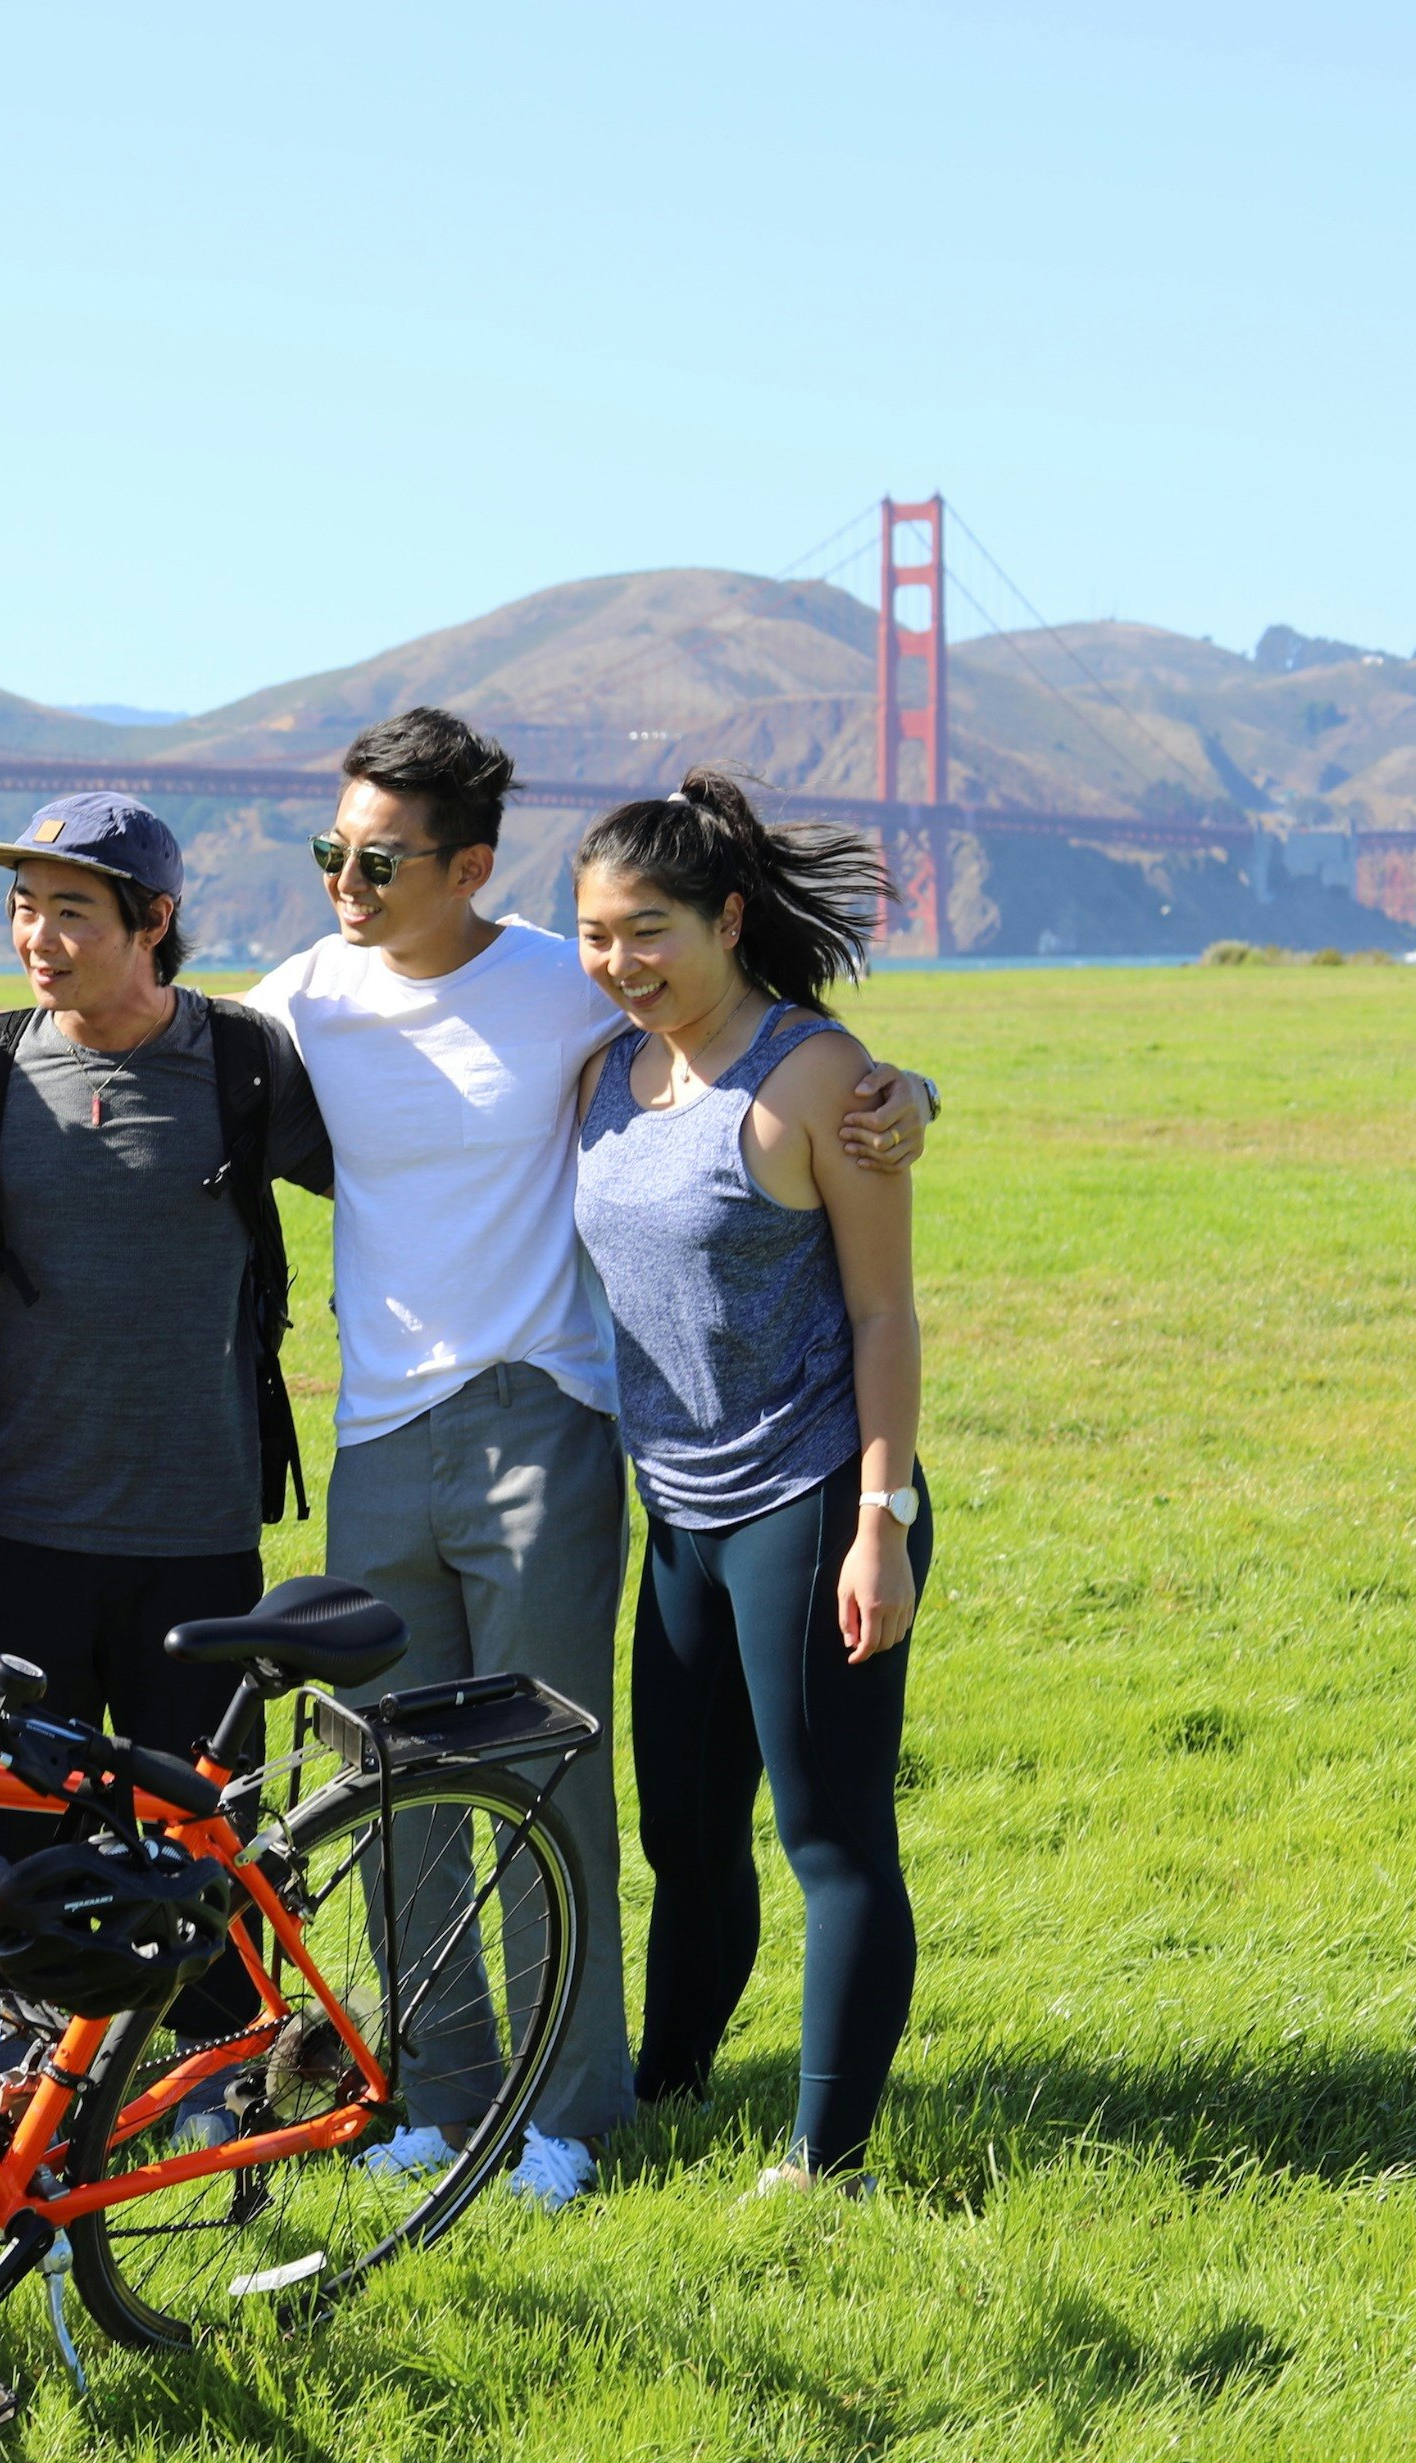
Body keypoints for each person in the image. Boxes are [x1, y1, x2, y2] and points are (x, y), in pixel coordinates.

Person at [244, 708, 936, 2209]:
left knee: (544, 1778)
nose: (344, 881)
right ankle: (438, 2096)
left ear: (467, 864)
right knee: (393, 1781)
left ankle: (573, 2114)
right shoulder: (302, 995)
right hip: (375, 1435)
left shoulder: (570, 985)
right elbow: (156, 1036)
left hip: (547, 1423)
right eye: (329, 850)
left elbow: (772, 1043)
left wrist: (908, 1091)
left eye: (377, 858)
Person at [571, 770, 928, 2200]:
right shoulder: (608, 1065)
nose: (621, 962)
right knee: (684, 1834)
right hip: (680, 1514)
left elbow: (884, 1317)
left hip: (809, 1499)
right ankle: (670, 2090)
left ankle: (821, 2164)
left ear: (727, 918)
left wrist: (879, 1525)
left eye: (648, 930)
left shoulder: (818, 1078)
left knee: (829, 1836)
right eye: (597, 934)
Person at [0, 795, 329, 1969]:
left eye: (69, 913)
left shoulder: (246, 1061)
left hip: (194, 1535)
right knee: (25, 1850)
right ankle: (34, 2092)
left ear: (153, 920)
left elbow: (415, 1173)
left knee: (197, 1843)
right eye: (22, 909)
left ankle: (200, 2084)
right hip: (22, 1530)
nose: (36, 937)